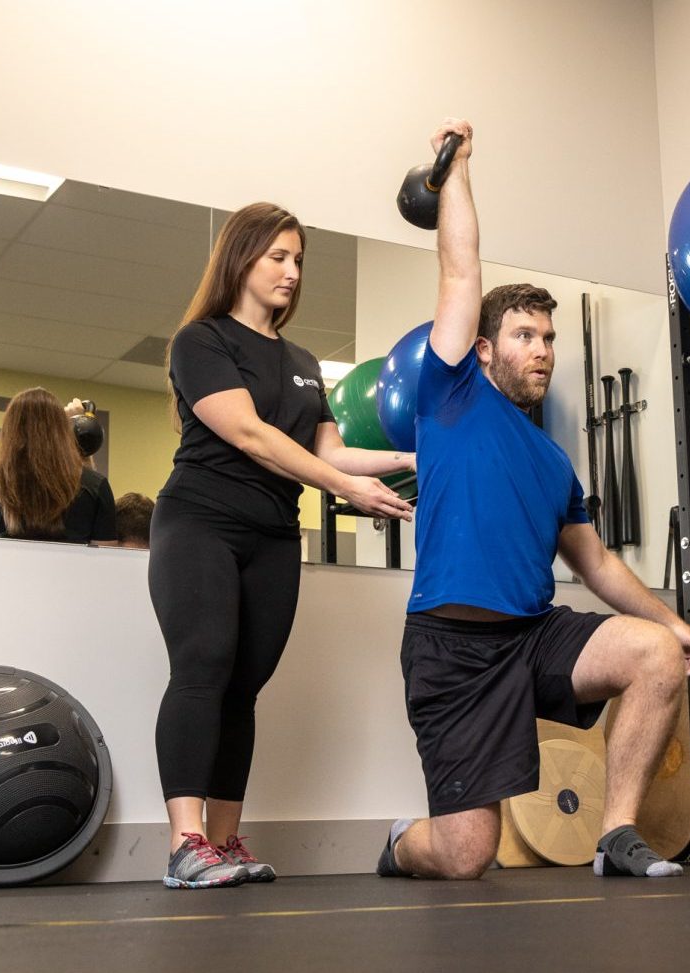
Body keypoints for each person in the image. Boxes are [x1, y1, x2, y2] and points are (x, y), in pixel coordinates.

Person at [376, 120, 690, 882]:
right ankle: (401, 842)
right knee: (466, 855)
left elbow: (597, 565)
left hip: (530, 639)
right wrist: (459, 170)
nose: (542, 349)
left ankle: (616, 833)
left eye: (550, 338)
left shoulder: (554, 461)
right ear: (483, 349)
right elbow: (461, 272)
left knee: (655, 655)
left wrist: (673, 621)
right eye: (525, 335)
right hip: (452, 651)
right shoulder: (451, 396)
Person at [152, 202, 415, 889]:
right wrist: (344, 489)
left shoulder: (301, 362)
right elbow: (250, 434)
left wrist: (416, 458)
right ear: (241, 259)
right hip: (201, 522)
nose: (292, 272)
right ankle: (184, 844)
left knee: (243, 688)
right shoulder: (201, 341)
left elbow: (329, 449)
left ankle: (221, 841)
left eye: (298, 260)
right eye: (278, 257)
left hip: (272, 535)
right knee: (203, 668)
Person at [0, 388, 117, 545]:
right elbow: (105, 555)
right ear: (61, 433)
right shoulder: (95, 486)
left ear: (9, 432)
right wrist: (77, 427)